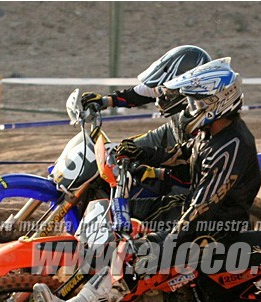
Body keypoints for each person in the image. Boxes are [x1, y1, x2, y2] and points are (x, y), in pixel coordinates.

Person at [32, 59, 261, 302]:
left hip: (214, 226)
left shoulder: (232, 146)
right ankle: (94, 279)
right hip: (189, 208)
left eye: (195, 102)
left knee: (135, 253)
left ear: (216, 102)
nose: (189, 108)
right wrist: (138, 154)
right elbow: (183, 156)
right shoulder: (212, 131)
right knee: (113, 214)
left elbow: (203, 206)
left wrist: (164, 241)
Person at [82, 45, 211, 198]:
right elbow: (145, 91)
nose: (160, 95)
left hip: (190, 168)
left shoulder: (207, 120)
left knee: (151, 188)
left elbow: (187, 164)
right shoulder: (185, 98)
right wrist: (105, 101)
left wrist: (150, 164)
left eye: (167, 90)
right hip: (172, 132)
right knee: (118, 154)